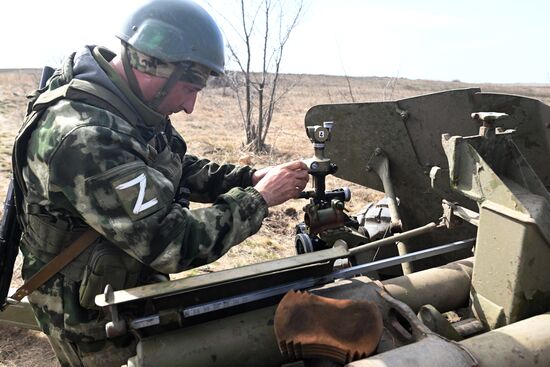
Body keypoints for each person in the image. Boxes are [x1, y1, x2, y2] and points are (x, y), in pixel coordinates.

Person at [13, 0, 309, 365]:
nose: (190, 107)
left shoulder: (127, 106)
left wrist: (246, 176)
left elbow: (169, 163)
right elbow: (170, 243)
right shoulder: (87, 138)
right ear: (153, 67)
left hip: (122, 284)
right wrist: (258, 199)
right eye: (189, 88)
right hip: (88, 316)